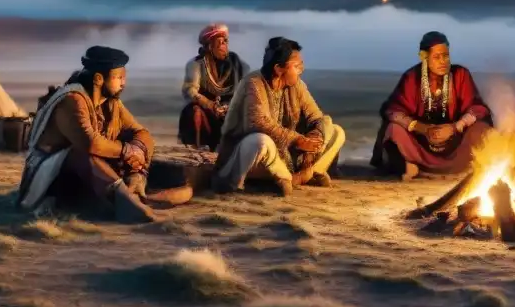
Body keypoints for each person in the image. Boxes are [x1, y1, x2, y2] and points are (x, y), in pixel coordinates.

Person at [16, 46, 191, 223]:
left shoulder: (111, 102)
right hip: (50, 177)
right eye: (119, 77)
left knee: (168, 172)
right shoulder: (73, 100)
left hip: (93, 173)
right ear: (99, 79)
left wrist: (137, 167)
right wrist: (126, 151)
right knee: (80, 155)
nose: (124, 83)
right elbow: (90, 143)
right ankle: (127, 203)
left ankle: (135, 192)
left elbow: (141, 132)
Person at [213, 37, 346, 196]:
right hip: (252, 157)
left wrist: (312, 141)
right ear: (278, 69)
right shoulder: (253, 83)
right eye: (296, 66)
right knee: (261, 141)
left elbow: (317, 117)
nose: (301, 69)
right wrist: (297, 140)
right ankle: (289, 178)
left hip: (288, 157)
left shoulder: (297, 85)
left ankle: (307, 172)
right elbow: (258, 123)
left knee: (335, 130)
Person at [370, 31, 493, 180]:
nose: (443, 61)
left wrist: (455, 127)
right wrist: (423, 129)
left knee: (482, 129)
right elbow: (393, 111)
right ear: (424, 57)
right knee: (393, 129)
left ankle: (463, 167)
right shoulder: (412, 78)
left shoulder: (460, 74)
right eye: (437, 57)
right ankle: (411, 165)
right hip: (421, 144)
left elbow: (478, 108)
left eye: (446, 56)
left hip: (455, 143)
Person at [179, 23, 250, 149]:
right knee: (194, 112)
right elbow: (190, 89)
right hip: (207, 110)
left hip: (230, 108)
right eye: (220, 42)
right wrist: (209, 104)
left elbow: (246, 88)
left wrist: (230, 106)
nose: (224, 46)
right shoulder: (196, 64)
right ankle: (199, 145)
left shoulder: (236, 63)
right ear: (210, 45)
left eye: (225, 42)